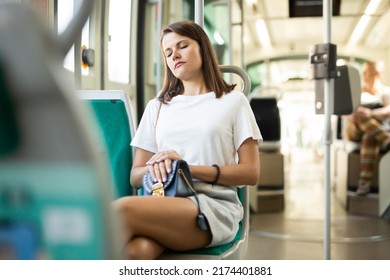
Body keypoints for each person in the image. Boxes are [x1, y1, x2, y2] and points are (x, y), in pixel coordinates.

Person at [113, 20, 262, 259]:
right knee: (135, 252)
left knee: (121, 210)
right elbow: (136, 176)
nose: (175, 56)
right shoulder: (157, 107)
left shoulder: (234, 102)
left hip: (213, 204)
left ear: (202, 47)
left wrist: (185, 169)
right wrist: (159, 166)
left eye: (182, 46)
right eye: (168, 53)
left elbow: (251, 173)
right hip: (164, 200)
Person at [345, 61, 390, 196]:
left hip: (372, 131)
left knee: (370, 136)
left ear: (377, 74)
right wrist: (361, 113)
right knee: (359, 115)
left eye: (367, 72)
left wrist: (371, 113)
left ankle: (364, 184)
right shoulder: (357, 91)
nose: (363, 75)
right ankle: (386, 139)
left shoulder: (385, 92)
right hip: (355, 129)